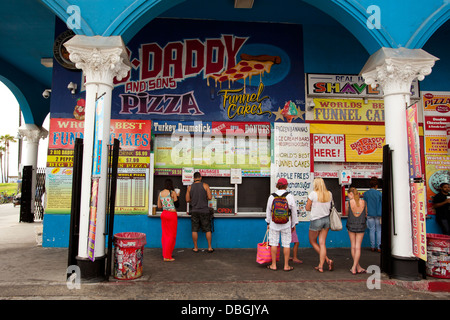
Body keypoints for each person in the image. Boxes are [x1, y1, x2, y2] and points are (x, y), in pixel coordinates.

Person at [265, 178, 298, 271]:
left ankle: (273, 265)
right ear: (286, 185)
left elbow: (268, 210)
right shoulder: (289, 196)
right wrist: (293, 224)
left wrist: (268, 222)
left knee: (273, 243)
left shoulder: (272, 196)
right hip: (286, 223)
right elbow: (294, 212)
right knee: (286, 244)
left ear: (277, 185)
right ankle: (286, 265)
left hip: (274, 223)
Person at [305, 177, 333, 273]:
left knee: (313, 241)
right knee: (322, 243)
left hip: (316, 220)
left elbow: (307, 208)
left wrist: (313, 207)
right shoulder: (329, 194)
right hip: (327, 220)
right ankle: (321, 265)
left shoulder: (313, 194)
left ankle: (326, 260)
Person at [186, 172, 213, 253]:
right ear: (200, 177)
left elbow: (187, 200)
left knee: (194, 229)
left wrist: (193, 199)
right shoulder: (205, 185)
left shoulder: (190, 187)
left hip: (194, 211)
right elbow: (210, 197)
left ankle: (195, 247)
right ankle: (209, 247)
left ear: (193, 178)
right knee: (208, 229)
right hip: (204, 210)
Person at [346, 187, 367, 275]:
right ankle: (357, 267)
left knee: (353, 246)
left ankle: (354, 267)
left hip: (351, 224)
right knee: (358, 247)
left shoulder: (349, 203)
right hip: (361, 225)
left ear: (351, 194)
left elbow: (347, 213)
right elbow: (366, 214)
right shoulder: (363, 202)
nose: (348, 196)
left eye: (348, 195)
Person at [157, 179, 179, 262]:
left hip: (164, 214)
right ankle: (167, 256)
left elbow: (159, 206)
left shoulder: (160, 193)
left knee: (165, 235)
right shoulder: (172, 193)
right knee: (171, 235)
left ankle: (166, 253)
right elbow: (177, 205)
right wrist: (177, 195)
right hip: (171, 214)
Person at [364, 177, 382, 252]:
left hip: (369, 214)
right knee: (379, 230)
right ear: (376, 185)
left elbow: (365, 204)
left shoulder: (366, 194)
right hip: (378, 214)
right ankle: (379, 247)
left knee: (371, 230)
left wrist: (366, 213)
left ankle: (372, 247)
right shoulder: (379, 194)